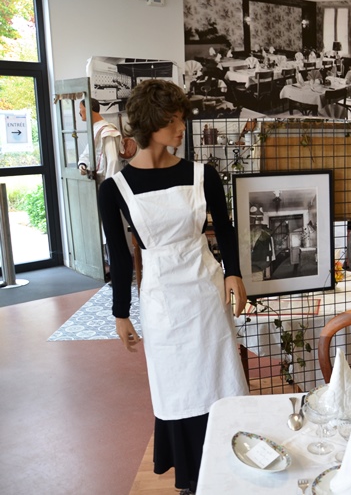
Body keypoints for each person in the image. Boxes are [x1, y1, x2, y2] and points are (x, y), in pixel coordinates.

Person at [98, 79, 249, 495]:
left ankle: (231, 463)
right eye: (172, 121)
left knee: (219, 374)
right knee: (178, 382)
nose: (181, 128)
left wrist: (234, 273)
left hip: (205, 287)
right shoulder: (115, 189)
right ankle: (191, 478)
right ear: (150, 125)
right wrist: (120, 313)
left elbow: (226, 229)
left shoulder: (203, 175)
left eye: (181, 119)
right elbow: (122, 256)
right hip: (163, 298)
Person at [78, 98, 123, 181]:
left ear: (88, 108)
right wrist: (82, 163)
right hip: (96, 181)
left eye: (80, 109)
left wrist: (108, 186)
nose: (79, 113)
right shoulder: (94, 128)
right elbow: (88, 152)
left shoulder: (107, 130)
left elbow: (113, 161)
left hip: (105, 180)